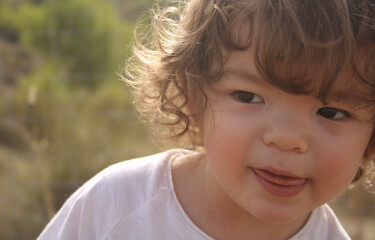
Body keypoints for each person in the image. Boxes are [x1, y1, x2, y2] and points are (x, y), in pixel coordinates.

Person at [38, 0, 375, 239]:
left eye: (332, 112)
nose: (287, 139)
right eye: (248, 96)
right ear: (193, 94)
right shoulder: (116, 205)